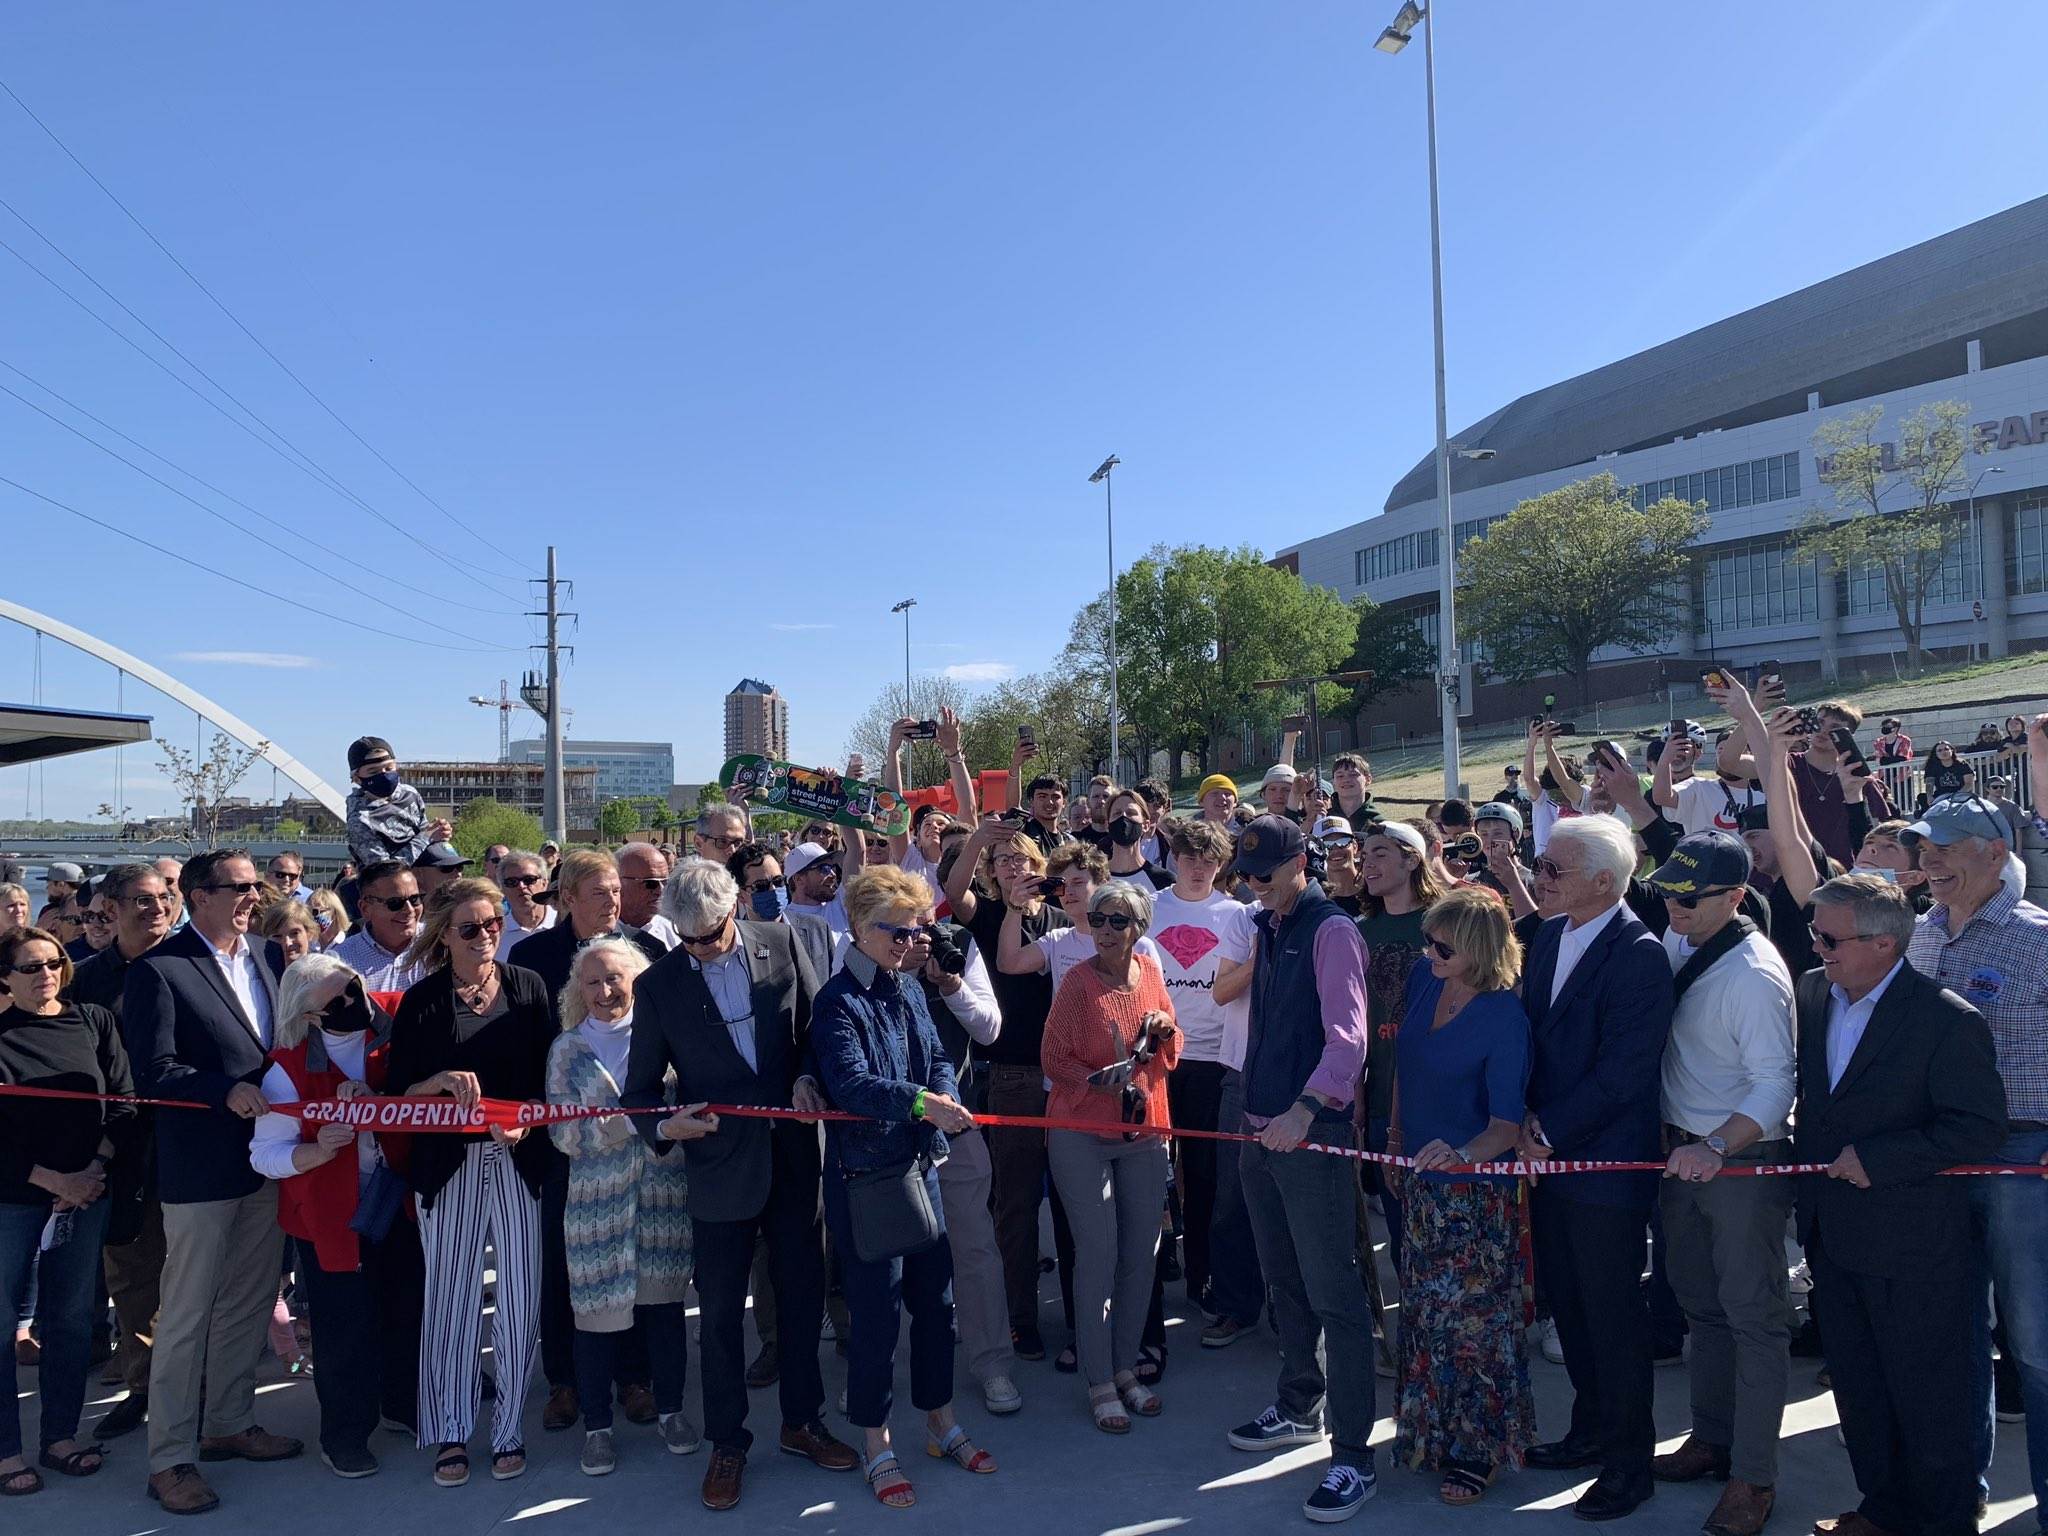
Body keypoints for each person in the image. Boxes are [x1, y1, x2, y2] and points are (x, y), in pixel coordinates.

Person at [621, 859, 856, 1511]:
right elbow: (638, 1093)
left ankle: (803, 1422)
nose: (700, 948)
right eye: (687, 938)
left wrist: (811, 1077)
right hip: (719, 1172)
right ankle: (729, 1443)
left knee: (803, 1298)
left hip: (791, 1157)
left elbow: (818, 1033)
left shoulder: (781, 942)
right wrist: (669, 1126)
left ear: (736, 910)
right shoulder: (662, 984)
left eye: (710, 934)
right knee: (721, 1317)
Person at [1797, 875, 2007, 1536]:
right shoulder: (1815, 995)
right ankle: (1883, 1511)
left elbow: (1978, 1128)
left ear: (1884, 944)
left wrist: (1881, 1159)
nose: (1816, 947)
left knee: (1930, 1401)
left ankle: (1942, 1523)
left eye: (1829, 937)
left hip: (1917, 1247)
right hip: (1835, 1238)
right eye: (1814, 933)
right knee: (1861, 1393)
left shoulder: (1946, 1020)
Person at [121, 849, 297, 1514]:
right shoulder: (160, 971)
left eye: (257, 885)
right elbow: (154, 1072)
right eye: (239, 887)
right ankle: (170, 1459)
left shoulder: (269, 957)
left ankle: (229, 1421)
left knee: (250, 1302)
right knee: (187, 1314)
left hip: (268, 1157)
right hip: (200, 1168)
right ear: (196, 895)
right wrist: (224, 1092)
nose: (253, 896)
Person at [810, 867, 993, 1505]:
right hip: (867, 1180)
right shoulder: (836, 1001)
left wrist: (941, 1092)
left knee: (936, 1308)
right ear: (861, 929)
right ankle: (877, 1440)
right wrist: (923, 1103)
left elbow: (937, 1053)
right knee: (876, 1317)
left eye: (919, 928)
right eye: (901, 931)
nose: (914, 941)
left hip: (920, 1171)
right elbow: (851, 1085)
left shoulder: (910, 987)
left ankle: (941, 1422)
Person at [1517, 815, 1674, 1522]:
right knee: (1571, 1309)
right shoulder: (1547, 937)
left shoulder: (1638, 954)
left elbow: (1625, 1072)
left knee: (1612, 1319)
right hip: (1547, 1163)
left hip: (1605, 1168)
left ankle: (1628, 1465)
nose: (1538, 878)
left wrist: (1546, 1129)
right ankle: (1588, 1430)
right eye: (1540, 864)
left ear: (1605, 883)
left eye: (1554, 869)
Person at [1222, 815, 1378, 1524]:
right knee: (1282, 1280)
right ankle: (1297, 1403)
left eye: (1265, 873)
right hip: (1261, 1132)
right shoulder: (1265, 925)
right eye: (1245, 874)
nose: (1253, 885)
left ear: (1301, 864)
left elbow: (1349, 1040)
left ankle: (1353, 1456)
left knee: (1333, 1294)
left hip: (1310, 1135)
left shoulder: (1331, 930)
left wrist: (1305, 1111)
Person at [1640, 833, 1796, 1536]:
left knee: (1754, 1321)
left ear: (1735, 897)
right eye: (1669, 890)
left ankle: (1753, 1478)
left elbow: (1775, 1085)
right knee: (1703, 1309)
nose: (1674, 904)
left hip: (1738, 1162)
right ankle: (1711, 1437)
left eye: (1689, 895)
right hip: (1685, 1157)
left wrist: (1713, 1145)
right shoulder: (1683, 938)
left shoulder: (1755, 975)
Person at [1900, 791, 2048, 1521]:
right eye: (1922, 848)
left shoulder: (2039, 937)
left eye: (1946, 848)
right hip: (1937, 1157)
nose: (1928, 862)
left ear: (1995, 854)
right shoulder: (1919, 936)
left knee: (2038, 1351)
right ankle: (1956, 1503)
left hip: (2025, 1156)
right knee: (1951, 1345)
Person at [386, 878, 555, 1489]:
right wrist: (435, 1082)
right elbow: (398, 1093)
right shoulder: (423, 1001)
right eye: (469, 928)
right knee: (451, 1303)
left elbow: (547, 1081)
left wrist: (525, 1121)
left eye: (492, 924)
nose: (484, 936)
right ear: (443, 936)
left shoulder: (529, 988)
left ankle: (508, 1429)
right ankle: (450, 1430)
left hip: (518, 1163)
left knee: (517, 1300)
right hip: (448, 1166)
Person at [507, 849, 665, 1434]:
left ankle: (635, 1378)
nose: (614, 902)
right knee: (567, 1266)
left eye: (617, 892)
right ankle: (566, 1383)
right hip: (564, 1141)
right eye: (600, 892)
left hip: (639, 1146)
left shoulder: (642, 954)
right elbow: (525, 1048)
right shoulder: (530, 959)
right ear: (567, 897)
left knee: (637, 1258)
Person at [248, 956, 423, 1479]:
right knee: (343, 1327)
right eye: (339, 1000)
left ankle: (402, 1405)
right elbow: (265, 1154)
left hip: (394, 1199)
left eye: (355, 988)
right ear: (312, 1017)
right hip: (328, 1215)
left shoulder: (394, 1030)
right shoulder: (288, 1067)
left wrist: (382, 1101)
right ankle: (344, 1433)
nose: (355, 1002)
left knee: (405, 1307)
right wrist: (318, 1151)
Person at [1390, 888, 1534, 1507]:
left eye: (1442, 944)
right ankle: (1431, 1433)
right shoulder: (1427, 980)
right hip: (1420, 1184)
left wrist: (1461, 1155)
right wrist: (1395, 1138)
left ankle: (1479, 1448)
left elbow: (1506, 1124)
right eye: (1427, 939)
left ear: (1477, 949)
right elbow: (1402, 1065)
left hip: (1473, 1196)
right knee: (1423, 1315)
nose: (1428, 952)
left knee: (1473, 1325)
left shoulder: (1505, 1016)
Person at [544, 939, 696, 1476]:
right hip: (595, 1207)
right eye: (593, 982)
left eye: (615, 979)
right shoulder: (567, 1049)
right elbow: (563, 1133)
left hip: (661, 1196)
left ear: (638, 980)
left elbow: (687, 1106)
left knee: (664, 1313)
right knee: (595, 1322)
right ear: (577, 991)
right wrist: (635, 1122)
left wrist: (669, 1127)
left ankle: (673, 1412)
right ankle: (597, 1429)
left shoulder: (667, 1038)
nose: (606, 991)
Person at [1040, 880, 1179, 1436]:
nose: (1104, 930)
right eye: (1097, 919)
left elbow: (1173, 1044)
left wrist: (1166, 1033)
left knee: (1141, 1252)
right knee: (1096, 1252)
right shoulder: (1076, 983)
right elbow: (1052, 1057)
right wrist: (1101, 1082)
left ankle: (1126, 1368)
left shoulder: (1149, 972)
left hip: (1144, 1127)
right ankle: (1099, 1378)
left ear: (1139, 927)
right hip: (1079, 1127)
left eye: (1117, 921)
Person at [0, 926, 134, 1497]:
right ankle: (6, 1451)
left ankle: (59, 1436)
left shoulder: (94, 1020)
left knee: (72, 1320)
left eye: (54, 962)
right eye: (30, 967)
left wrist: (91, 1172)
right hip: (13, 1198)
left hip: (86, 1193)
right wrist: (50, 1178)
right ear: (4, 977)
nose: (46, 974)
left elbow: (125, 1101)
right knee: (3, 1326)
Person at [945, 819, 1071, 1362]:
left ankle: (1078, 1312)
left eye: (1022, 860)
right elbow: (953, 893)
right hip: (1011, 1073)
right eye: (1003, 863)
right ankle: (1019, 1317)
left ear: (1040, 867)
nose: (1014, 868)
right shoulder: (990, 916)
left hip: (1065, 1075)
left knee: (1070, 1201)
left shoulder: (1064, 921)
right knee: (1015, 1203)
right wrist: (977, 842)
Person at [66, 863, 173, 1438]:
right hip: (119, 1148)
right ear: (108, 909)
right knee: (131, 1275)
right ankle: (143, 1387)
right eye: (140, 899)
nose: (155, 908)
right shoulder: (83, 980)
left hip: (188, 1142)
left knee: (194, 1272)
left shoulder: (193, 965)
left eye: (164, 896)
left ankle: (198, 1391)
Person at [1139, 819, 1254, 1342]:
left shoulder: (1239, 914)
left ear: (1222, 864)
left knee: (1207, 1176)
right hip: (1156, 1057)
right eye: (1189, 855)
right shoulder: (1150, 907)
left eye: (1208, 858)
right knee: (1151, 1172)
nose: (1198, 865)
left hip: (1211, 1057)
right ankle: (1155, 1270)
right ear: (1175, 857)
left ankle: (1203, 1276)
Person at [1355, 822, 1447, 1275]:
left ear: (1412, 859)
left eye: (1379, 853)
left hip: (1440, 1104)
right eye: (1364, 855)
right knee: (1399, 1238)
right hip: (1379, 1102)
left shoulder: (1446, 922)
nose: (1366, 863)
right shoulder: (1357, 931)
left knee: (1441, 1237)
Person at [343, 736, 450, 872]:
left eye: (388, 768)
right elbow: (385, 871)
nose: (384, 775)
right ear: (357, 778)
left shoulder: (410, 794)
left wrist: (439, 832)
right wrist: (426, 837)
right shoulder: (360, 820)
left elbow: (424, 831)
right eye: (373, 771)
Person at [332, 861, 429, 994]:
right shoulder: (340, 962)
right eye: (395, 903)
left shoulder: (442, 946)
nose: (409, 910)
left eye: (415, 899)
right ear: (365, 908)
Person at [616, 842, 679, 951]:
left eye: (665, 882)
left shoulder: (674, 936)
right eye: (651, 883)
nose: (661, 890)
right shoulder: (596, 932)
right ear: (618, 882)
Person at [494, 848, 555, 957]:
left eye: (529, 879)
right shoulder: (495, 935)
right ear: (502, 889)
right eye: (512, 882)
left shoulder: (565, 923)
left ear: (544, 884)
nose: (521, 886)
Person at [256, 899, 321, 965]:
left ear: (309, 933)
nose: (287, 943)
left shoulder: (324, 972)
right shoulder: (256, 972)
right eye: (277, 936)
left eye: (295, 933)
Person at [1330, 753, 1381, 831]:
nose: (1346, 780)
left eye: (1353, 774)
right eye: (1340, 776)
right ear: (1333, 781)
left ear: (1368, 779)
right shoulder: (1323, 820)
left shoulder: (1379, 822)